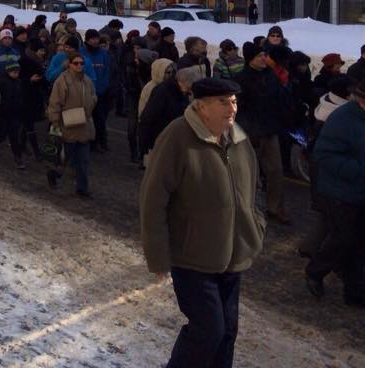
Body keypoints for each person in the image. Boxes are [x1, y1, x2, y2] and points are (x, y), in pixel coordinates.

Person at [140, 77, 265, 368]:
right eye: (223, 102)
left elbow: (252, 188)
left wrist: (255, 226)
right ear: (201, 106)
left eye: (233, 101)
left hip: (234, 254)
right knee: (208, 331)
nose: (231, 107)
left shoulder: (238, 137)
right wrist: (158, 256)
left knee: (228, 332)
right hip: (193, 257)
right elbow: (153, 199)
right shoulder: (177, 137)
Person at [305, 78, 365, 307]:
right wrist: (359, 170)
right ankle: (315, 271)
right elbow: (324, 156)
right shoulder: (342, 119)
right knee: (344, 238)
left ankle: (355, 291)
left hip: (359, 191)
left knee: (358, 241)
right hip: (341, 192)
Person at [237, 41, 292, 224]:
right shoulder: (241, 79)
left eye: (264, 55)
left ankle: (274, 207)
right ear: (250, 59)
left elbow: (280, 99)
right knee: (249, 173)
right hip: (250, 133)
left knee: (275, 171)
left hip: (269, 130)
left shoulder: (270, 75)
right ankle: (246, 209)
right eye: (259, 56)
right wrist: (247, 130)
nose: (264, 58)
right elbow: (238, 109)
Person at [47, 50, 98, 198]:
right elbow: (55, 103)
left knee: (83, 161)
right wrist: (55, 121)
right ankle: (54, 174)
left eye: (81, 63)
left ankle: (82, 189)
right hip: (67, 125)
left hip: (84, 125)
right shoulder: (62, 81)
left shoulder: (87, 80)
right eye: (75, 63)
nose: (79, 66)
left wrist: (91, 104)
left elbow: (93, 95)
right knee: (64, 158)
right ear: (69, 64)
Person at [138, 66, 199, 159]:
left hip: (170, 138)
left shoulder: (181, 92)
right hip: (160, 138)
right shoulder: (164, 91)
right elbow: (149, 116)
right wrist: (144, 142)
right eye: (192, 84)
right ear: (184, 82)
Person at [83, 29, 112, 153]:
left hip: (99, 93)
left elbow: (107, 72)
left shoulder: (104, 54)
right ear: (87, 40)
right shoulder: (82, 52)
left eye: (96, 38)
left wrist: (102, 88)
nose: (95, 41)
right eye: (92, 39)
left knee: (100, 120)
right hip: (84, 93)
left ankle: (99, 142)